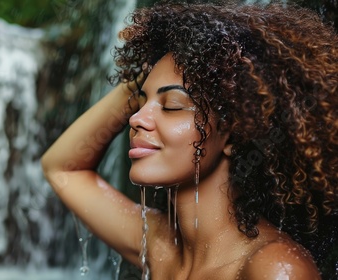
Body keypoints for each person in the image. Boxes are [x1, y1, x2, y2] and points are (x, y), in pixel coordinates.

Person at [42, 2, 338, 279]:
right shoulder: (159, 246)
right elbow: (63, 168)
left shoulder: (273, 269)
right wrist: (138, 80)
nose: (135, 119)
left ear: (234, 134)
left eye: (172, 105)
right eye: (139, 103)